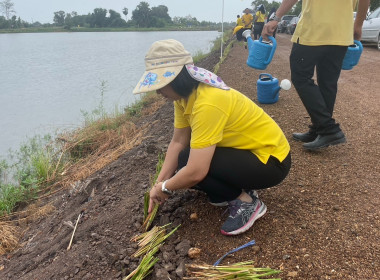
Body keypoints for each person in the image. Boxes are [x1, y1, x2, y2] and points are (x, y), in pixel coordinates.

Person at [133, 39, 291, 236]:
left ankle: (247, 203)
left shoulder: (208, 102)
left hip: (271, 161)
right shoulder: (184, 97)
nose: (158, 91)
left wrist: (166, 188)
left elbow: (196, 171)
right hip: (248, 153)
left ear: (178, 79)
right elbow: (178, 142)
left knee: (190, 167)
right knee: (184, 157)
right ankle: (232, 189)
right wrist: (159, 183)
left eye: (161, 84)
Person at [262, 0, 370, 151]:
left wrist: (277, 17)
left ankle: (328, 129)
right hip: (341, 31)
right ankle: (319, 129)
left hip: (314, 29)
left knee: (300, 77)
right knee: (328, 82)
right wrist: (358, 25)